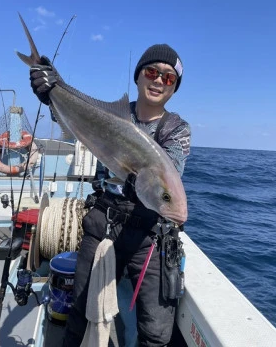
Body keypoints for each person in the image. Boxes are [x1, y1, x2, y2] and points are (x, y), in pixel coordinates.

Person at [30, 43, 191, 346]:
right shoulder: (111, 115)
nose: (158, 80)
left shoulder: (176, 129)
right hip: (104, 223)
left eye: (169, 78)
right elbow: (75, 117)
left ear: (174, 87)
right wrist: (51, 90)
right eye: (152, 72)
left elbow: (168, 175)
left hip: (149, 234)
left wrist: (142, 183)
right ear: (139, 76)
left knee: (156, 333)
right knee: (78, 314)